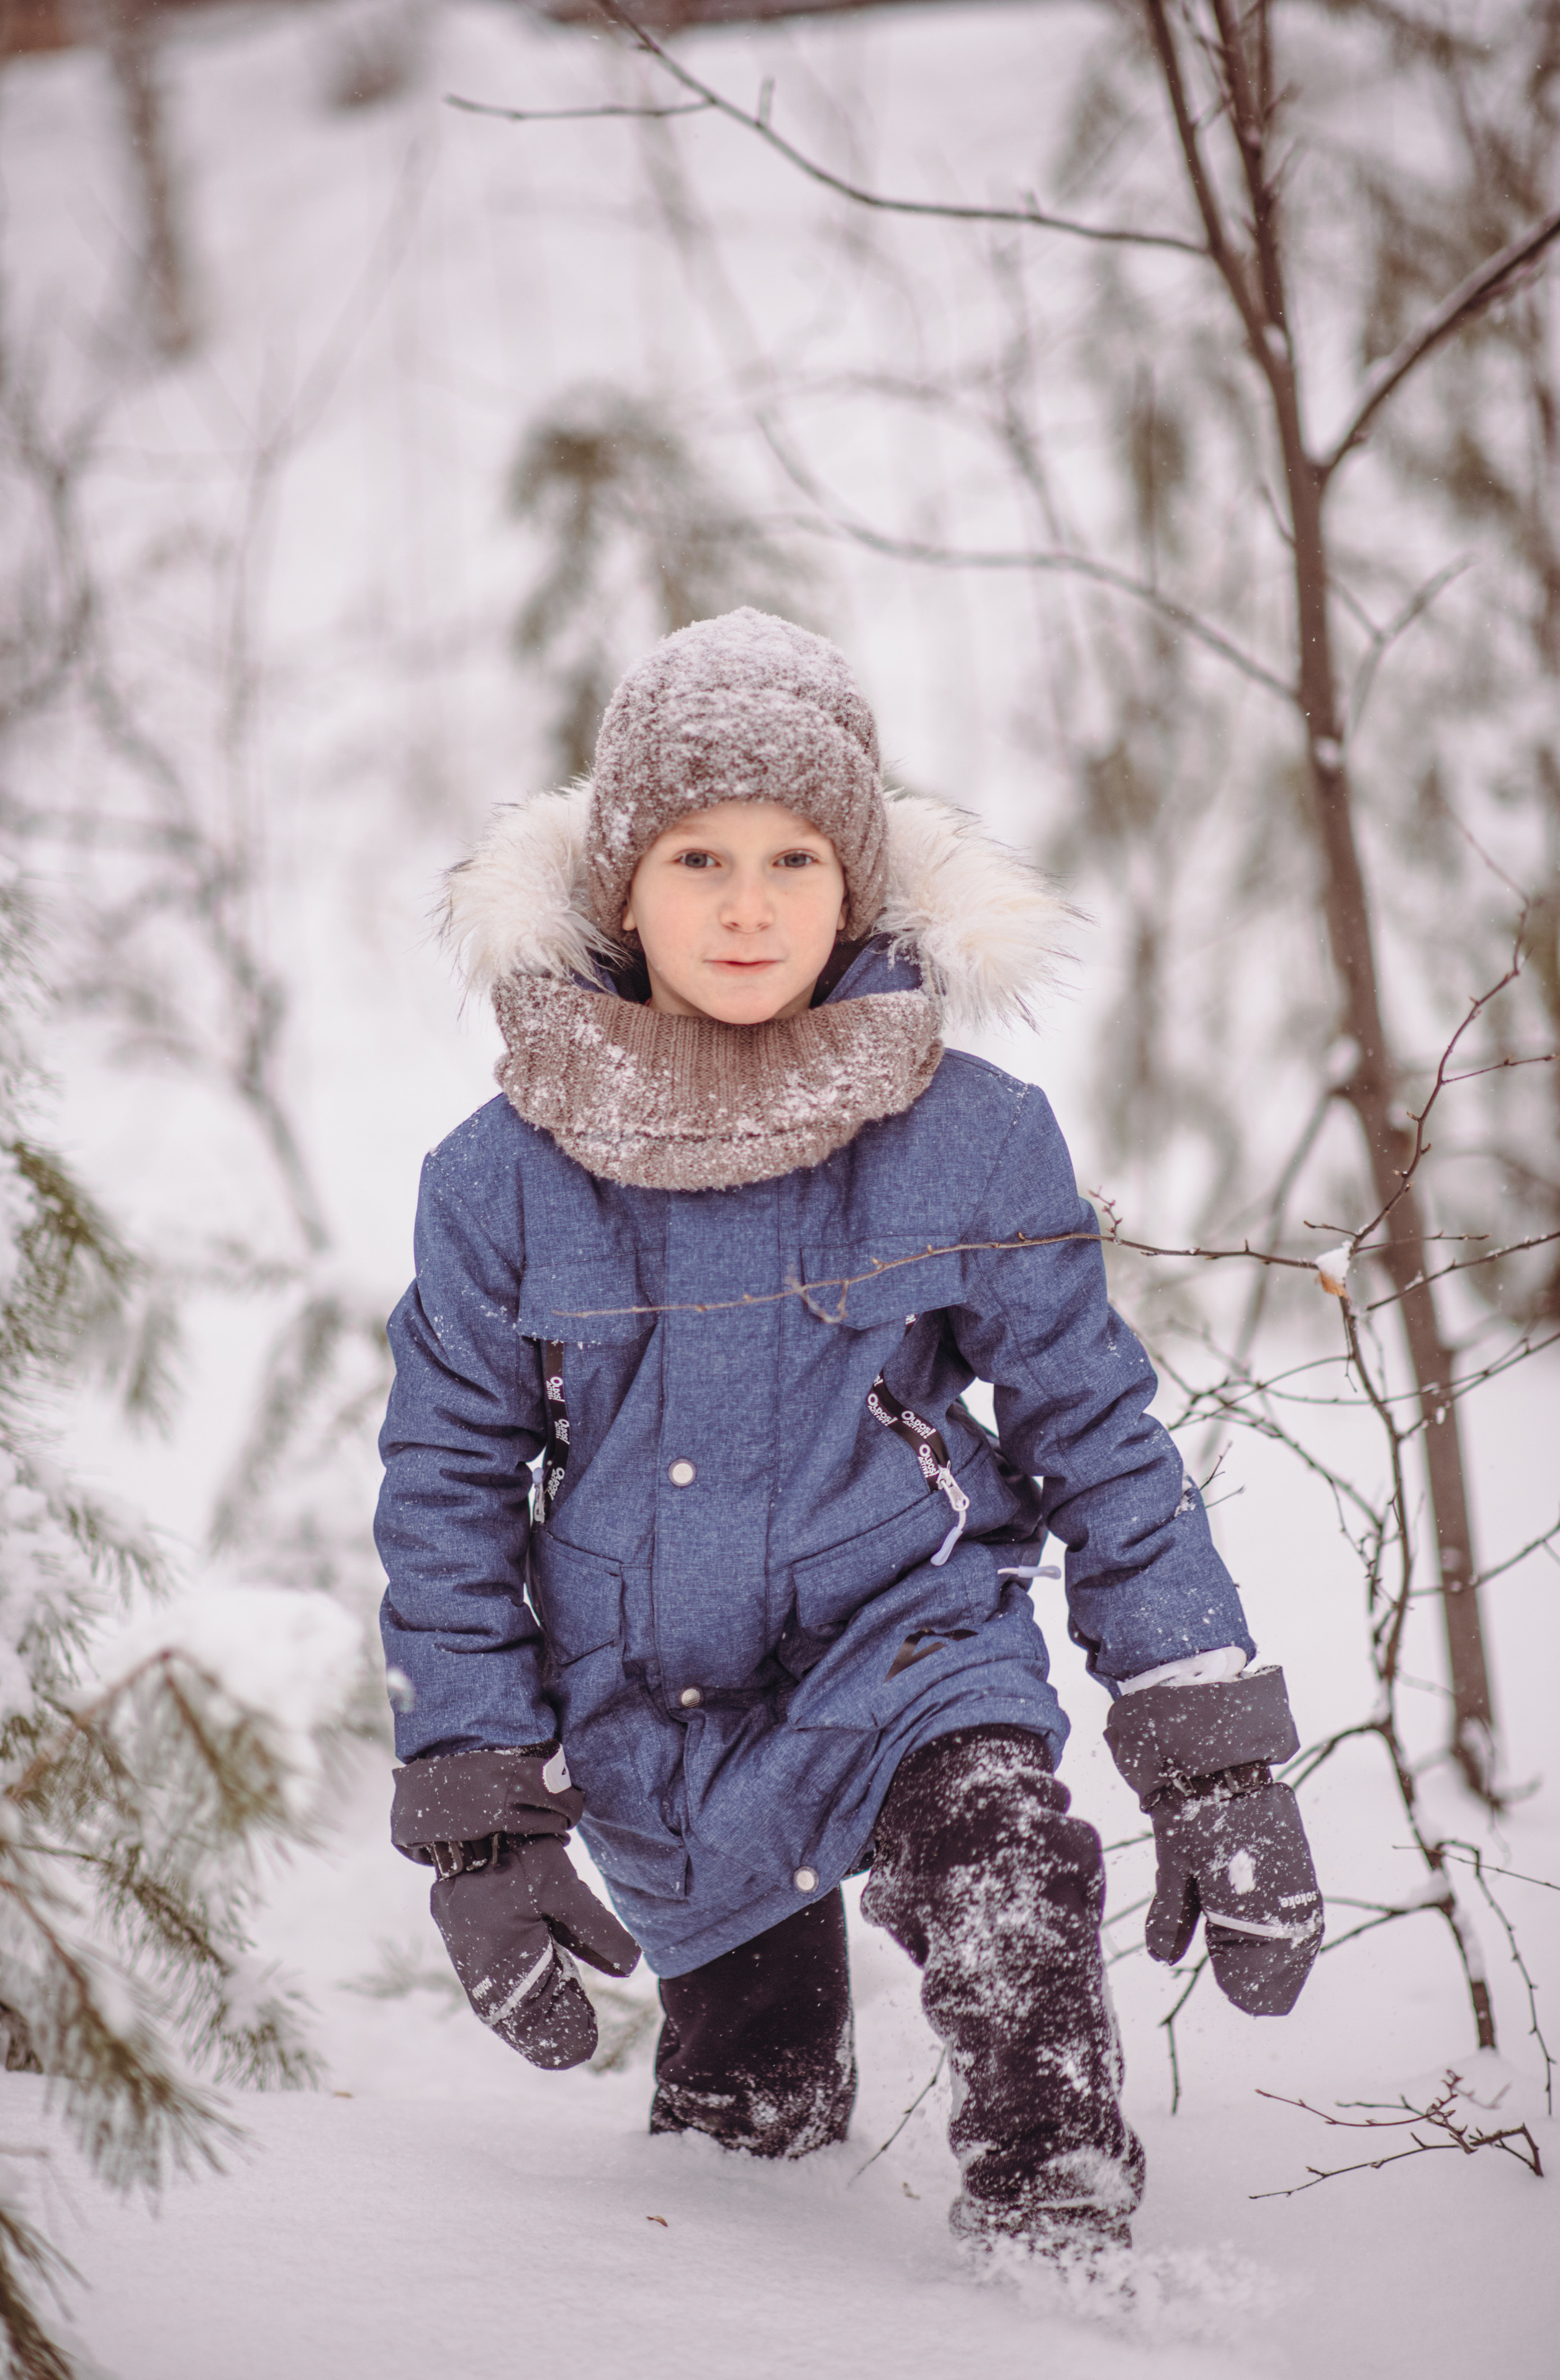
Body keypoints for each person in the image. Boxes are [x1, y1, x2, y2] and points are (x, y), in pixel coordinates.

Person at [376, 608, 1323, 2261]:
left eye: (794, 859)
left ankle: (1060, 2228)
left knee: (1009, 1871)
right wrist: (482, 1805)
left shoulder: (971, 1137)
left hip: (910, 1647)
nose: (747, 906)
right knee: (754, 2135)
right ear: (620, 885)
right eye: (698, 858)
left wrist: (1212, 1749)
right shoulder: (499, 1178)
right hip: (654, 1709)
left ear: (857, 883)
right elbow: (448, 1485)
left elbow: (1094, 1432)